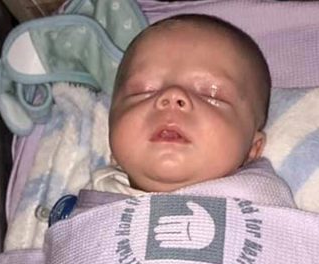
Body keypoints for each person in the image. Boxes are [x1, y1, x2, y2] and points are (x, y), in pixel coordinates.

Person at [85, 13, 294, 208]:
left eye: (211, 95)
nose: (172, 96)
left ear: (252, 149)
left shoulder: (266, 201)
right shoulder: (88, 201)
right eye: (143, 91)